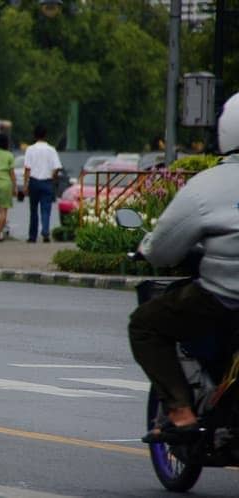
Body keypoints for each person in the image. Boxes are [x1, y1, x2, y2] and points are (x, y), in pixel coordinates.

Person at [130, 91, 239, 443]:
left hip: (223, 299)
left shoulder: (206, 187)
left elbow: (161, 251)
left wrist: (144, 248)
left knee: (145, 324)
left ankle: (180, 412)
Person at [23, 125, 62, 243]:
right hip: (47, 182)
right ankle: (45, 231)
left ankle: (32, 236)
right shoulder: (51, 149)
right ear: (45, 135)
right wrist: (52, 177)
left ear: (35, 135)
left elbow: (27, 169)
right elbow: (57, 167)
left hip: (34, 181)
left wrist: (25, 185)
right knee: (46, 209)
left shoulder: (30, 149)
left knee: (33, 210)